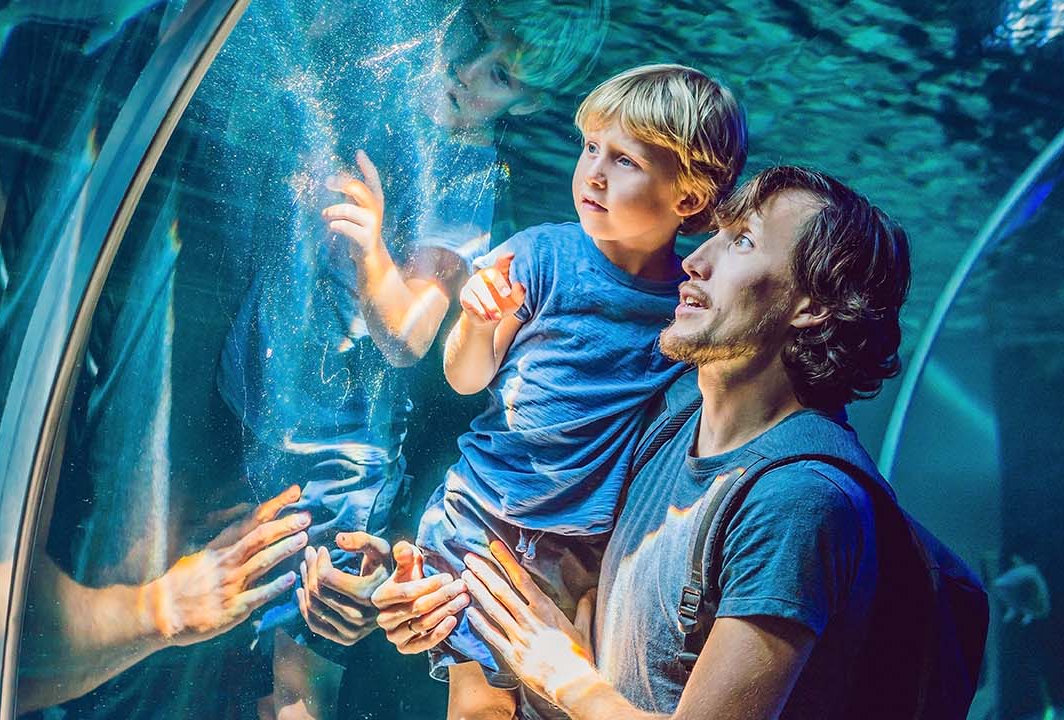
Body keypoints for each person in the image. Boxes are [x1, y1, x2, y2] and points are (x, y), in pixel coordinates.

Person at [208, 2, 609, 717]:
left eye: (501, 75)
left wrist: (370, 253)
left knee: (298, 689)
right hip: (259, 406)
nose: (466, 72)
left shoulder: (466, 174)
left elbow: (409, 337)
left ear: (530, 101)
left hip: (334, 456)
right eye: (474, 40)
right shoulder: (390, 100)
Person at [397, 165, 914, 719]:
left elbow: (565, 669)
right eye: (714, 232)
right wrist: (434, 587)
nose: (695, 260)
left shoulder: (798, 499)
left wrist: (569, 681)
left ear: (812, 306)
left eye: (742, 241)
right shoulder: (664, 423)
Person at [311, 63, 749, 718]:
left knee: (555, 698)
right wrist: (480, 322)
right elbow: (467, 378)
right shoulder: (540, 257)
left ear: (688, 200)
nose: (593, 173)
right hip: (487, 512)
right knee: (480, 706)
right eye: (590, 148)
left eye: (624, 159)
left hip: (590, 544)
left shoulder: (689, 301)